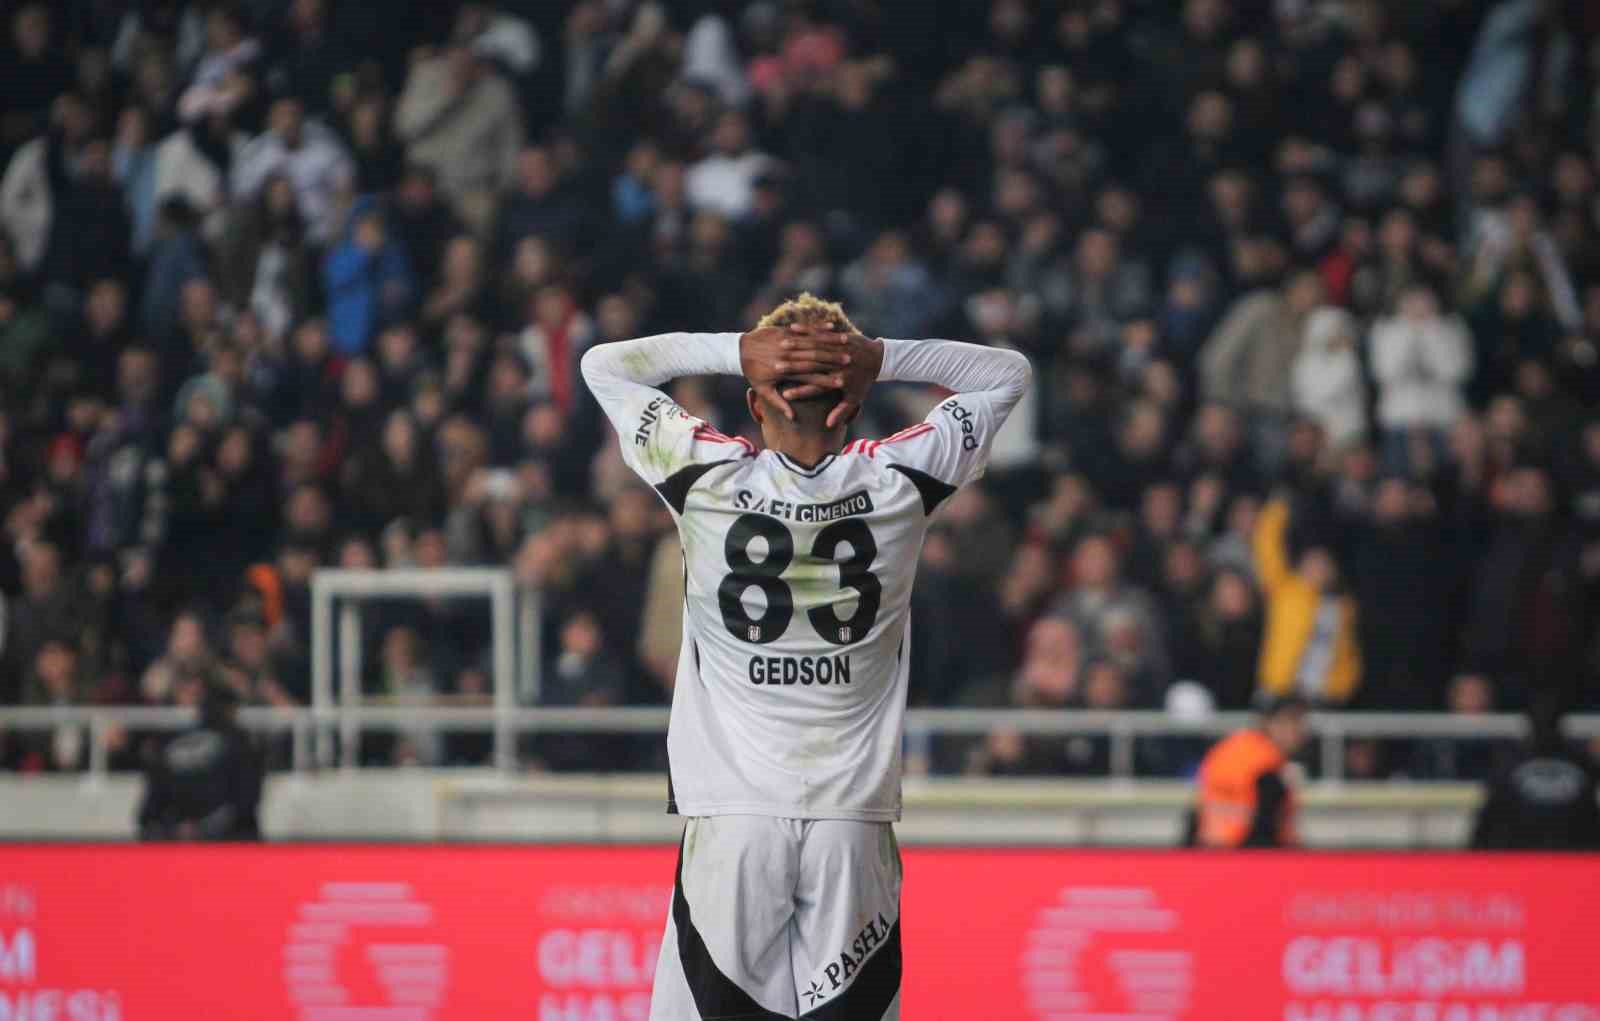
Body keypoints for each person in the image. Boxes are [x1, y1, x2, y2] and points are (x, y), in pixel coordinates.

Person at [582, 292, 1030, 1018]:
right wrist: (880, 358)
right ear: (853, 405)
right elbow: (1008, 374)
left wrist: (736, 351)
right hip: (851, 819)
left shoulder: (704, 476)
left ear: (754, 404)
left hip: (734, 816)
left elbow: (604, 366)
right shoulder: (901, 480)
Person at [136, 682, 264, 841]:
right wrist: (203, 829)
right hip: (228, 842)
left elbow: (149, 811)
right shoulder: (239, 742)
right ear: (230, 710)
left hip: (177, 841)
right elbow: (247, 799)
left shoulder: (168, 743)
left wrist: (176, 827)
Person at [1471, 696, 1600, 851]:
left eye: (1548, 720)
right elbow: (1490, 818)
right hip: (1523, 853)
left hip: (1571, 853)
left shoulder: (1581, 762)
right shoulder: (1510, 763)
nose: (1544, 724)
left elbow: (1590, 815)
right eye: (1541, 719)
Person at [1185, 694, 1310, 849]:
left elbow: (1196, 811)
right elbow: (1264, 830)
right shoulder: (1268, 767)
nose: (1299, 731)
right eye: (1291, 722)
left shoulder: (1229, 747)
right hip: (1243, 852)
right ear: (1268, 723)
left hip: (1208, 846)